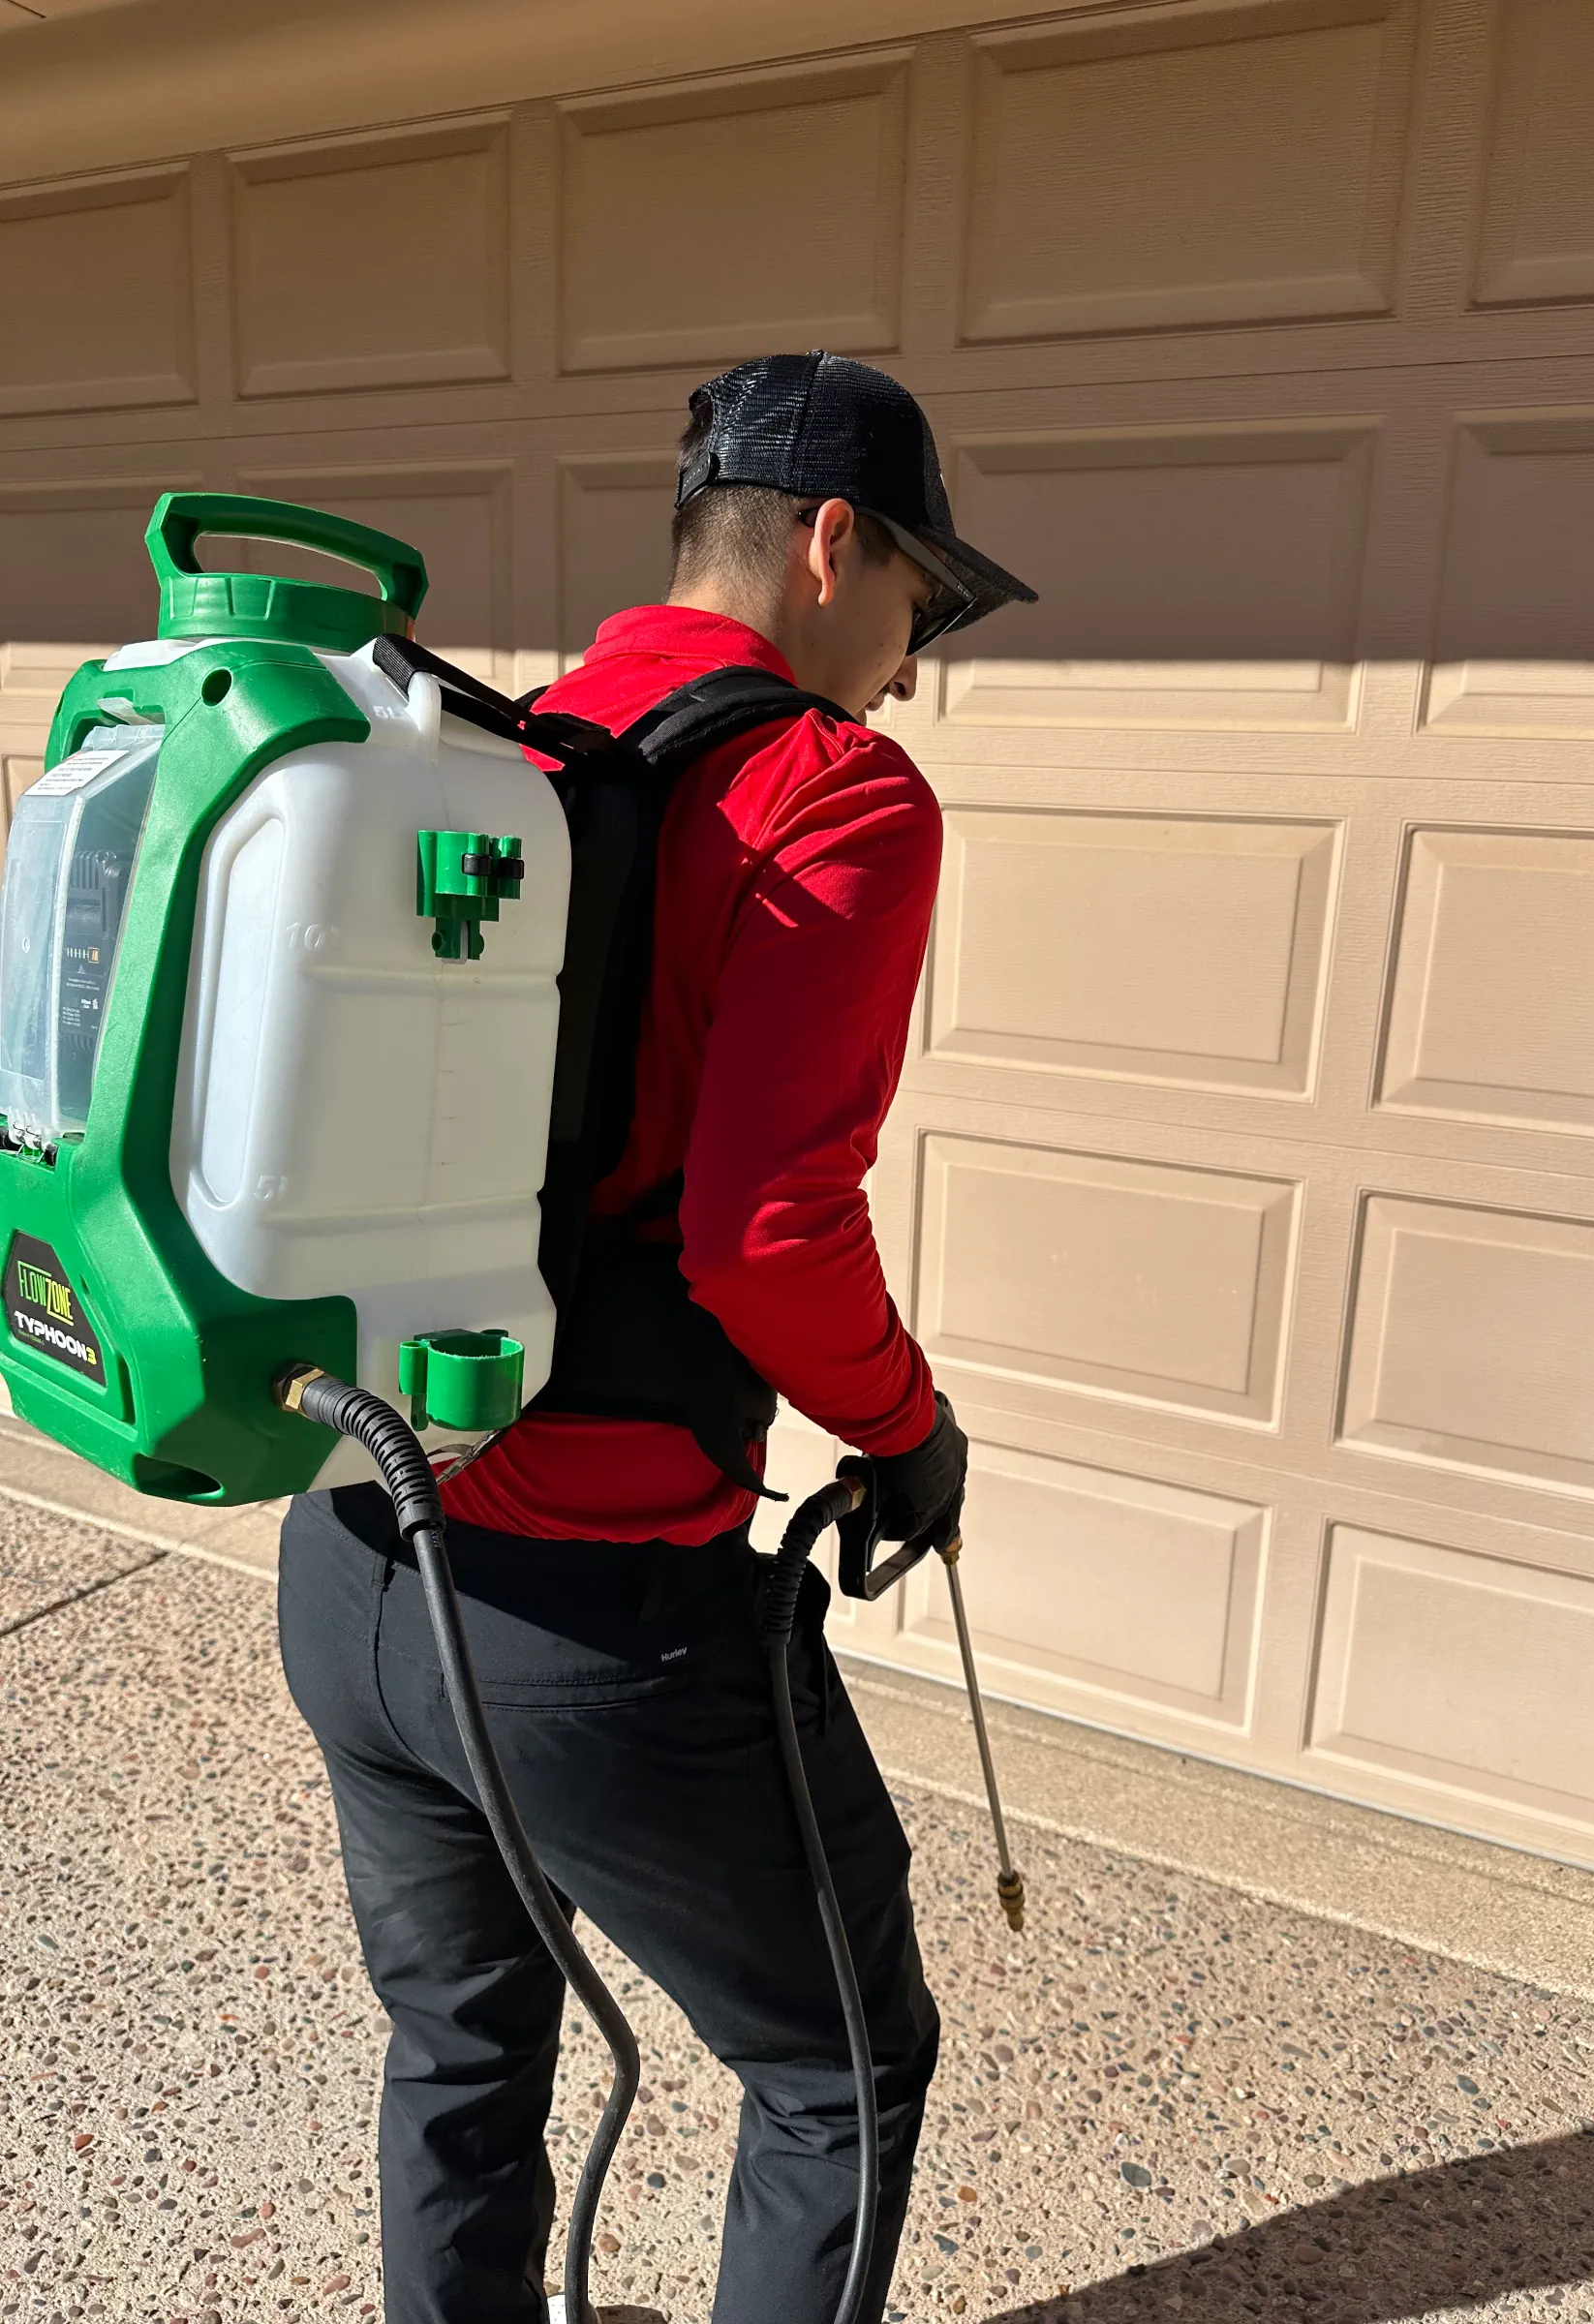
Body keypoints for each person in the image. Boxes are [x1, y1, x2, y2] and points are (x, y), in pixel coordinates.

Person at [277, 350, 1036, 2324]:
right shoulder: (833, 790)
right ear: (829, 541)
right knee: (838, 2074)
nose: (913, 663)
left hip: (359, 1551)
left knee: (462, 2051)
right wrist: (911, 1427)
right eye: (918, 609)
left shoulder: (512, 741)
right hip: (592, 1629)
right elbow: (768, 1236)